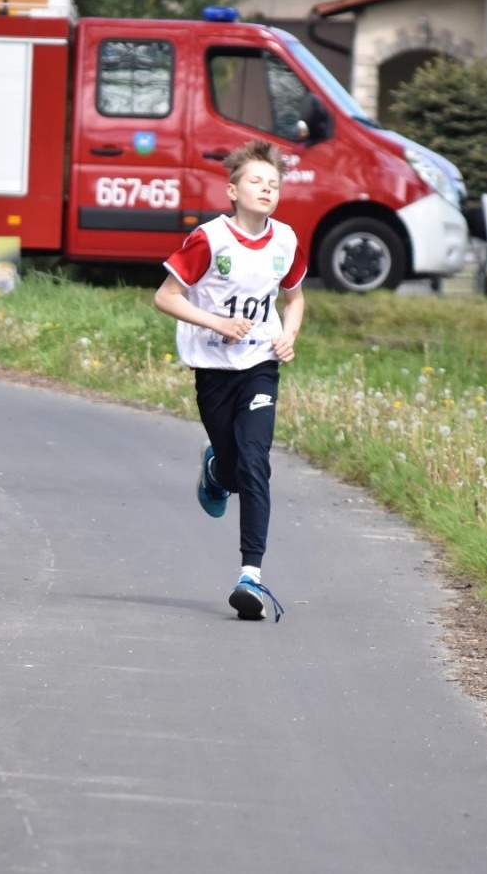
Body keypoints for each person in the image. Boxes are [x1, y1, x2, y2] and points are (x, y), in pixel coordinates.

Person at [153, 140, 306, 622]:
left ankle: (250, 578)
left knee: (257, 462)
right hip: (214, 369)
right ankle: (216, 470)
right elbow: (166, 297)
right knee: (236, 468)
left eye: (274, 184)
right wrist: (217, 324)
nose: (267, 189)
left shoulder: (285, 240)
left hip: (260, 363)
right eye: (257, 182)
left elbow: (294, 298)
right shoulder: (209, 240)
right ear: (233, 190)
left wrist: (290, 336)